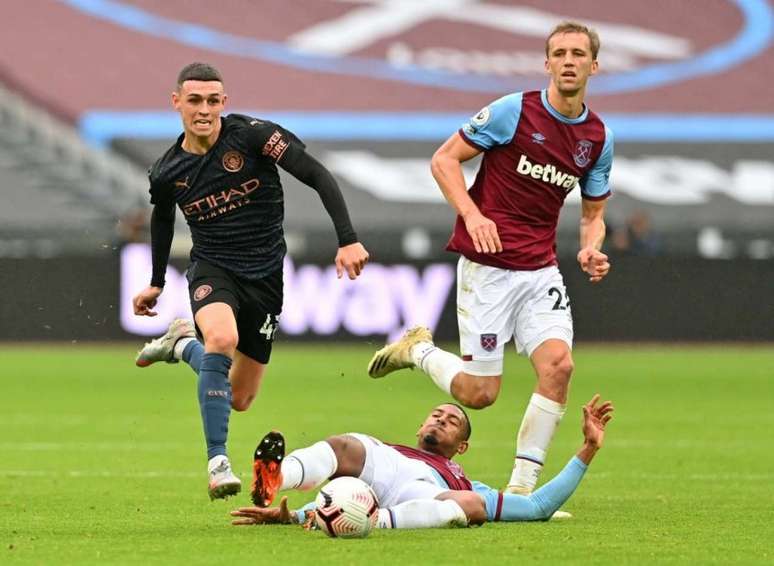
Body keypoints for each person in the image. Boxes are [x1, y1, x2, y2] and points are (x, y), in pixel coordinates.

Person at [366, 21, 614, 496]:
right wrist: (472, 215)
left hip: (541, 271)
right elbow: (443, 160)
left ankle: (521, 493)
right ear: (546, 64)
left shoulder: (598, 138)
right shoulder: (512, 112)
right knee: (480, 395)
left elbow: (593, 213)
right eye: (558, 53)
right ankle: (417, 350)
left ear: (593, 66)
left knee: (559, 367)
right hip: (488, 269)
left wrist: (590, 247)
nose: (568, 61)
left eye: (577, 54)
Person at [131, 63, 369, 500]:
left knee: (240, 399)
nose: (204, 109)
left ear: (225, 102)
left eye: (213, 100)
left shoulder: (255, 136)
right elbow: (163, 217)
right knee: (222, 337)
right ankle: (218, 462)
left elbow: (317, 175)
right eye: (195, 100)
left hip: (266, 276)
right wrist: (157, 281)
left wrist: (347, 240)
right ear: (176, 102)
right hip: (212, 269)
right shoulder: (167, 171)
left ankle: (182, 344)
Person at [231, 395, 613, 529]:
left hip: (426, 493)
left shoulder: (463, 482)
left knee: (466, 508)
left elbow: (537, 507)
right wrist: (293, 515)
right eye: (436, 415)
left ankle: (376, 522)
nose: (441, 419)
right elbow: (344, 494)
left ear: (461, 447)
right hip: (385, 469)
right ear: (420, 426)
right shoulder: (389, 451)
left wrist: (588, 449)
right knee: (346, 444)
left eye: (453, 421)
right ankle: (278, 477)